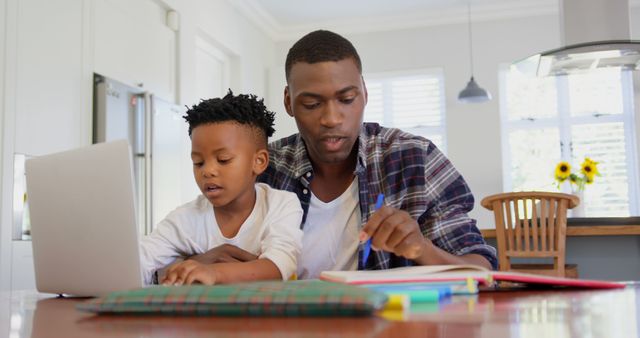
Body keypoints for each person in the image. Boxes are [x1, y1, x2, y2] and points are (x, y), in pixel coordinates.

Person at [257, 29, 497, 279]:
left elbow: (482, 269)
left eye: (347, 99)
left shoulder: (415, 158)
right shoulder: (263, 168)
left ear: (365, 94)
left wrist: (422, 249)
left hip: (389, 317)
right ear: (288, 102)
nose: (331, 119)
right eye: (312, 104)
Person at [140, 90, 303, 285]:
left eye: (223, 160)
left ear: (259, 161)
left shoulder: (281, 205)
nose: (207, 171)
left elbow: (280, 265)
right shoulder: (184, 219)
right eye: (198, 162)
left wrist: (213, 273)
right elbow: (140, 260)